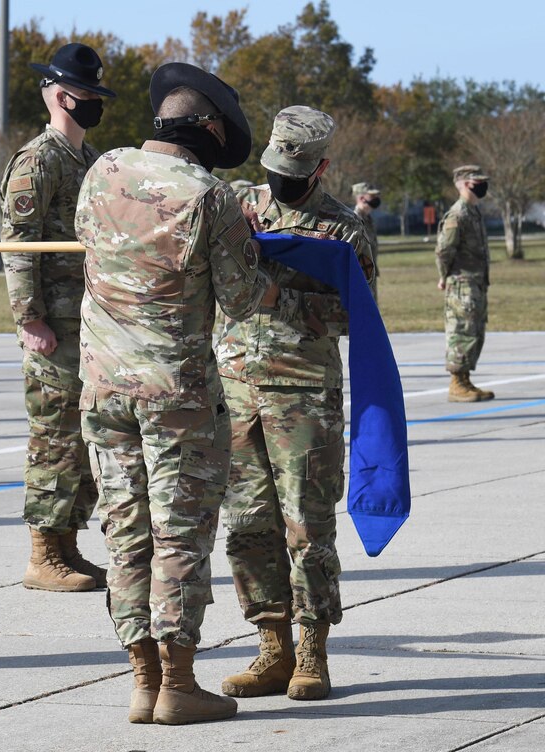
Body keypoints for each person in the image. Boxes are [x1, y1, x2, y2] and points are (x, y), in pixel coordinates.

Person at [79, 62, 272, 726]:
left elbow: (91, 248)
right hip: (175, 397)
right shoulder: (210, 199)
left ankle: (142, 682)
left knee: (125, 533)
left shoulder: (102, 171)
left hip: (103, 390)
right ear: (212, 129)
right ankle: (179, 686)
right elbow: (243, 301)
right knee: (179, 537)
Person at [217, 105, 376, 703]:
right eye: (276, 165)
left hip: (304, 393)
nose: (282, 177)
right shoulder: (239, 206)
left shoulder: (343, 229)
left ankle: (313, 651)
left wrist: (281, 296)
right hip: (235, 388)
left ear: (321, 166)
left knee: (307, 528)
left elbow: (355, 314)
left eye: (296, 168)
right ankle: (272, 647)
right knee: (247, 525)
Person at [0, 42, 115, 593]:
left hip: (88, 324)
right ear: (63, 97)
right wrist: (30, 319)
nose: (95, 103)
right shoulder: (37, 160)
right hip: (53, 327)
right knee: (53, 436)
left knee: (81, 435)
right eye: (89, 95)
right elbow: (17, 246)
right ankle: (42, 554)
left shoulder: (90, 162)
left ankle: (68, 543)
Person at [437, 165, 494, 403]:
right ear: (462, 184)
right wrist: (444, 276)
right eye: (475, 183)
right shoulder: (457, 214)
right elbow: (443, 250)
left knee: (474, 331)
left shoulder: (473, 212)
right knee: (461, 330)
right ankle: (456, 382)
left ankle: (465, 379)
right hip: (461, 283)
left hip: (475, 282)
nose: (480, 187)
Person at [353, 181, 382, 298]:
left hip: (370, 271)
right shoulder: (354, 220)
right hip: (360, 275)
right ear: (361, 198)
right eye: (372, 196)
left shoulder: (368, 219)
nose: (375, 199)